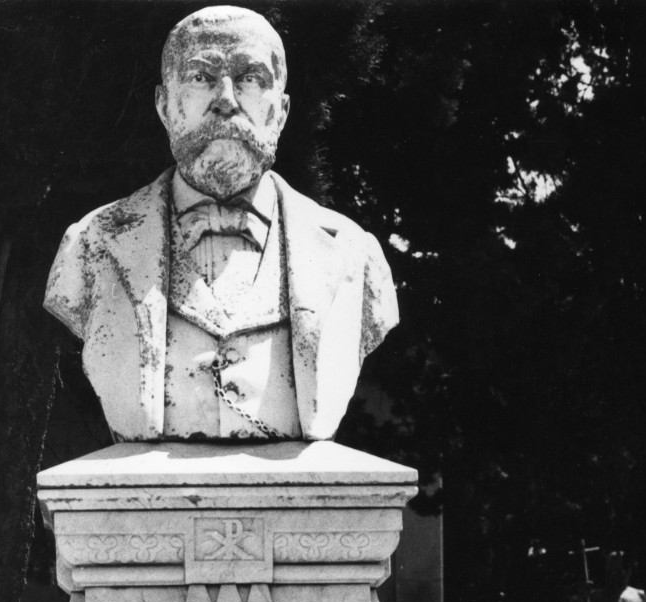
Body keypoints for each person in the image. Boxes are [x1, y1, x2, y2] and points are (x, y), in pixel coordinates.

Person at [44, 6, 397, 443]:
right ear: (163, 105)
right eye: (200, 77)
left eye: (251, 78)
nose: (227, 99)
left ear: (282, 111)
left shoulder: (352, 253)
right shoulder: (92, 244)